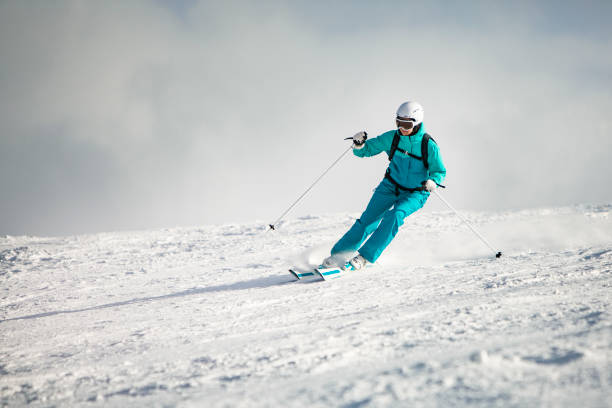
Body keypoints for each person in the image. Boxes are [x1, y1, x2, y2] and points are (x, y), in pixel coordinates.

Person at [322, 101, 446, 270]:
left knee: (395, 216)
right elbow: (367, 150)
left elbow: (439, 171)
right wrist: (359, 144)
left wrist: (433, 181)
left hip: (416, 192)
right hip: (390, 186)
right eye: (399, 122)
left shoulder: (428, 145)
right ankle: (339, 255)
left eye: (407, 124)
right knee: (368, 220)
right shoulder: (393, 137)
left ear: (416, 123)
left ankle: (364, 257)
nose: (402, 128)